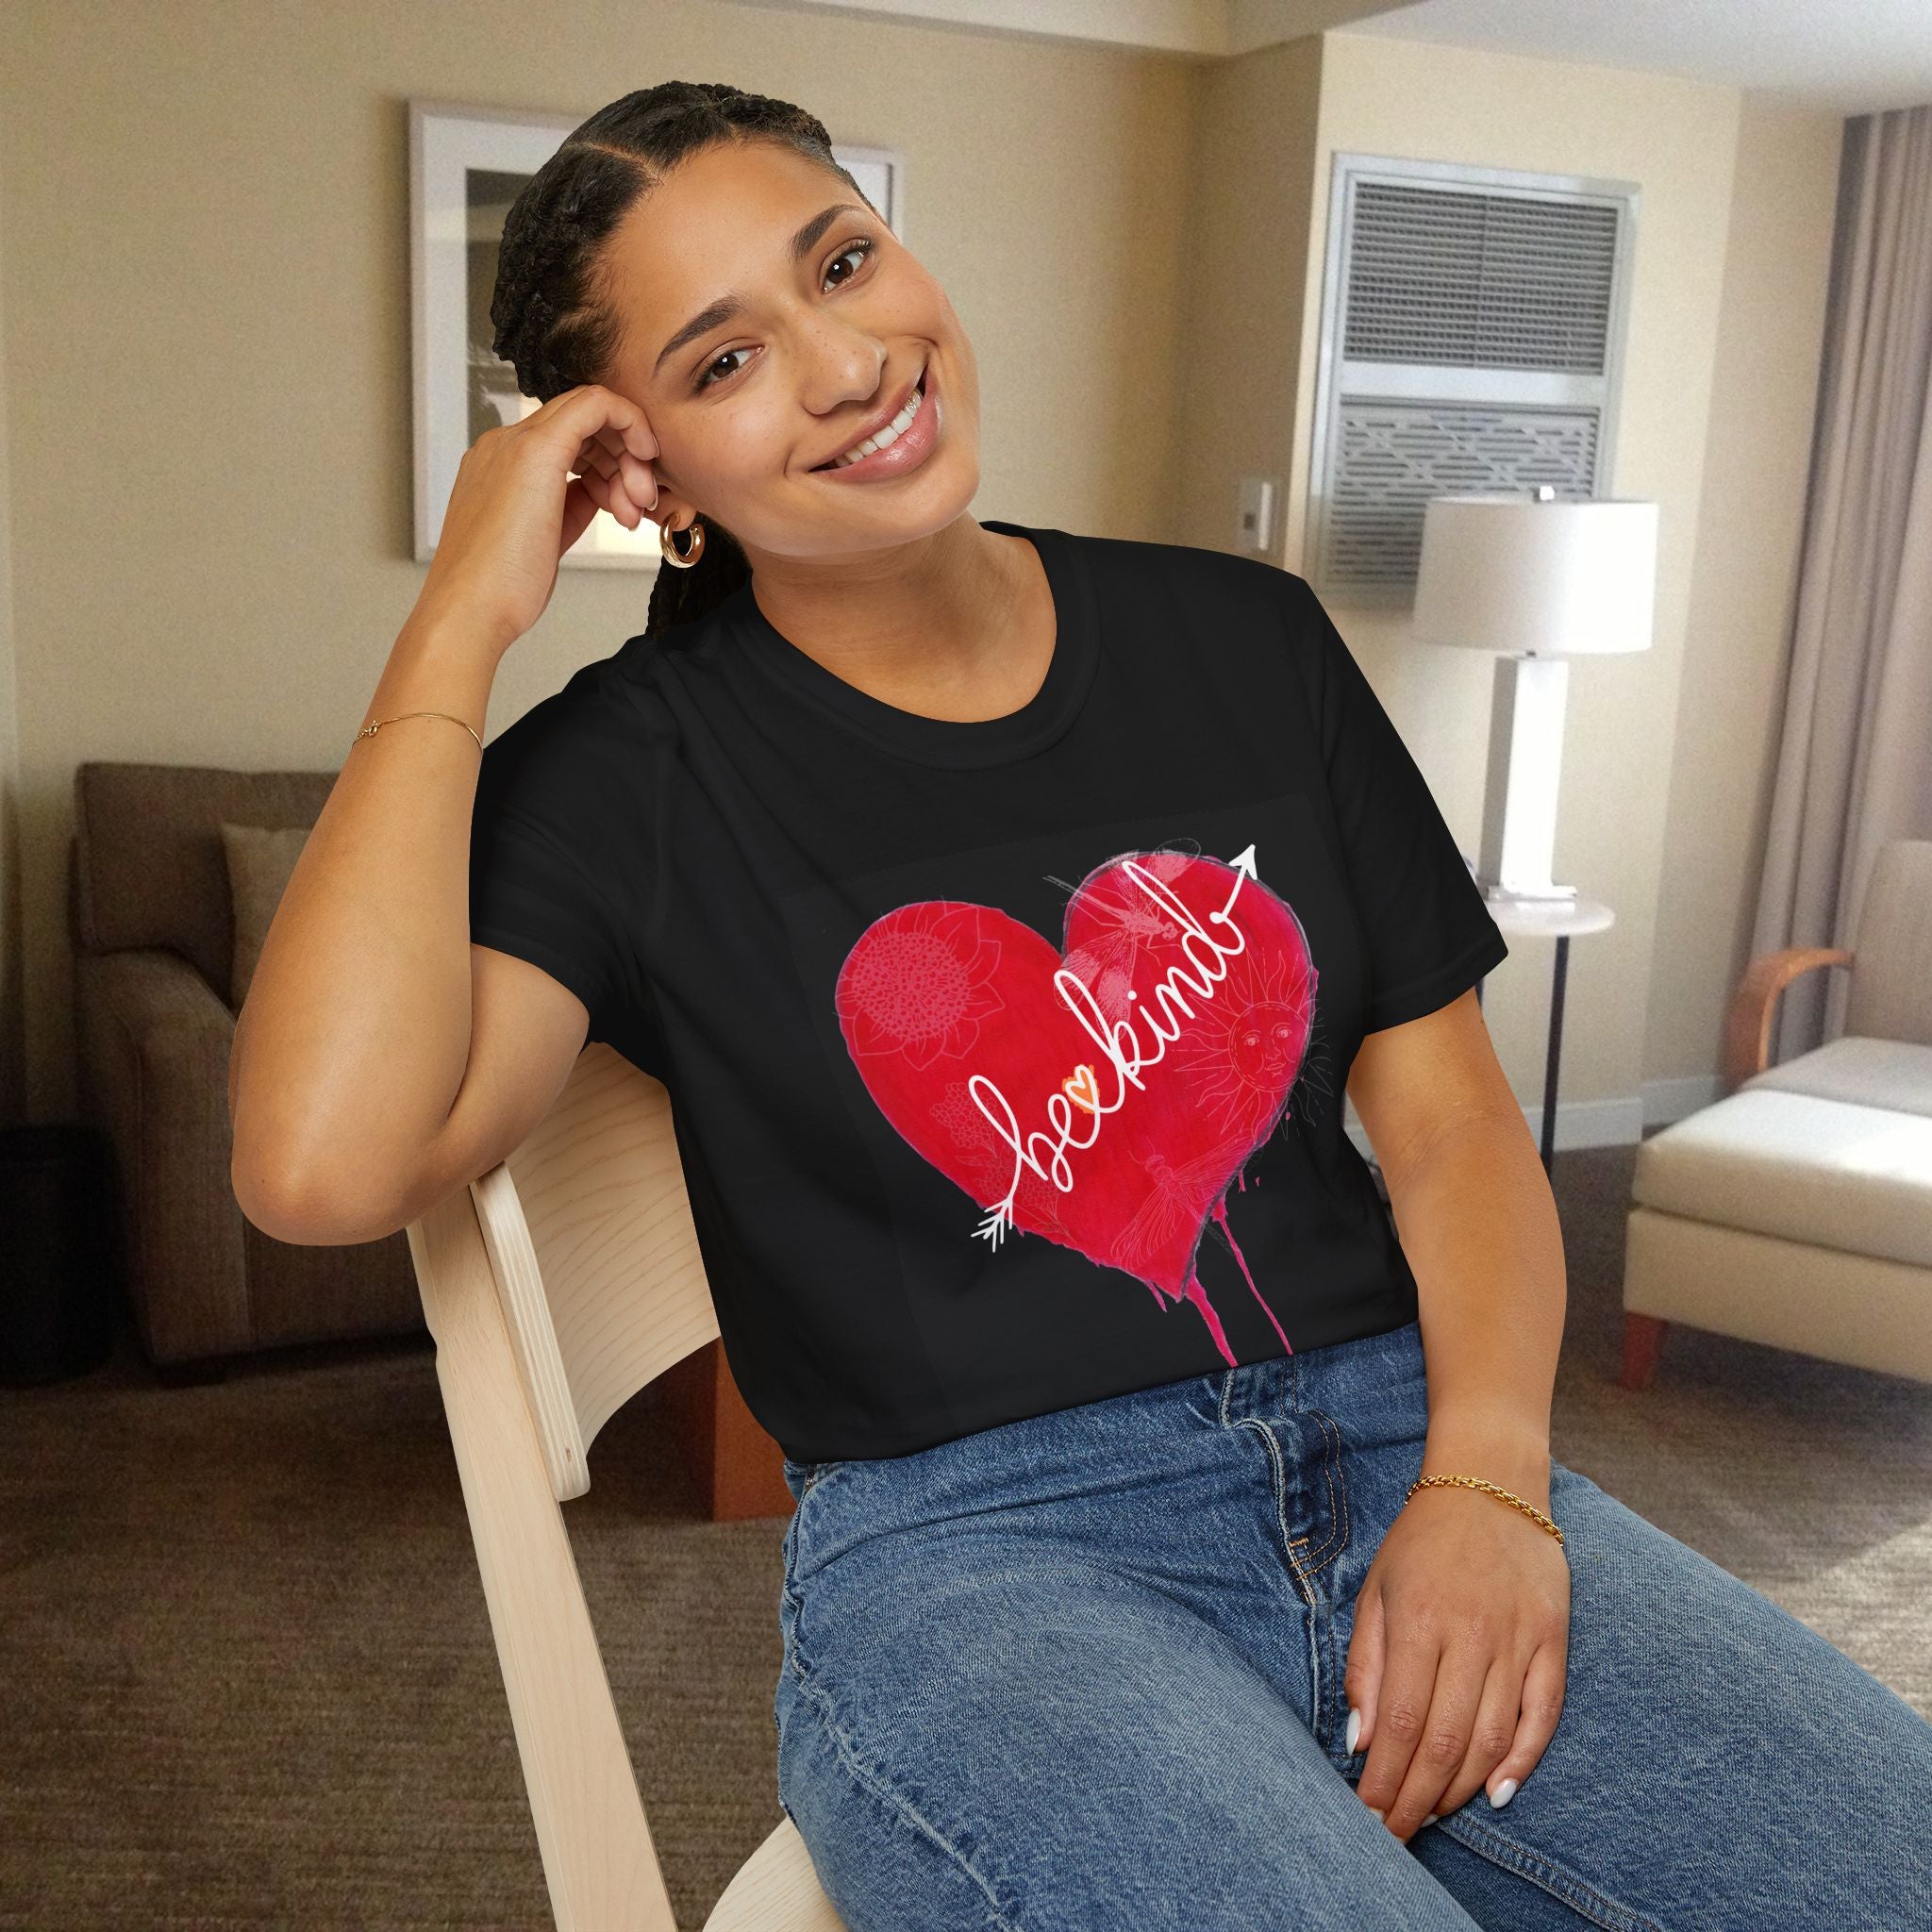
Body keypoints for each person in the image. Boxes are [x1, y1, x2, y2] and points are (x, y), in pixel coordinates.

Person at [228, 79, 1932, 1931]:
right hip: (985, 1562)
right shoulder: (625, 777)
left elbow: (1452, 1126)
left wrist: (1492, 1484)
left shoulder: (1247, 641)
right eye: (724, 360)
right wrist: (460, 618)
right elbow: (320, 1167)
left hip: (1405, 1437)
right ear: (650, 476)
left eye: (842, 264)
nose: (847, 365)